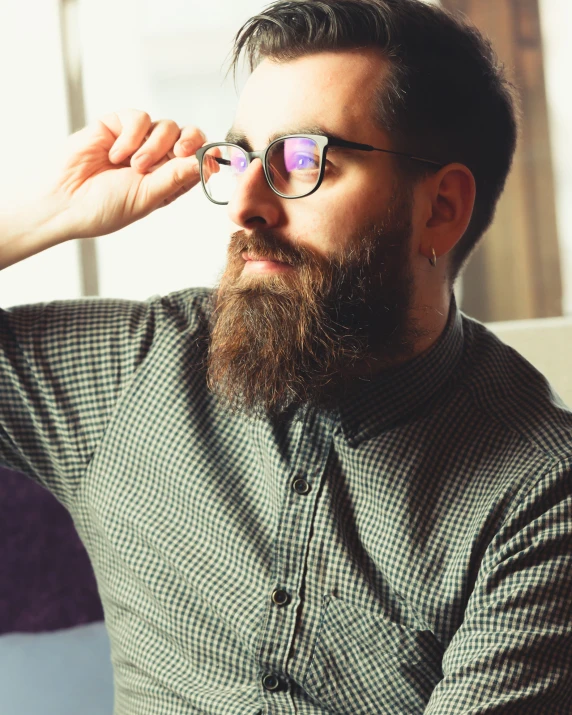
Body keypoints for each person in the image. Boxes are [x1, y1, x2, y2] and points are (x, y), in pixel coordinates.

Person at [1, 0, 571, 712]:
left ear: (442, 208)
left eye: (301, 160)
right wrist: (33, 215)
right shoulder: (135, 369)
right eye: (239, 157)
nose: (245, 203)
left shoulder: (543, 492)